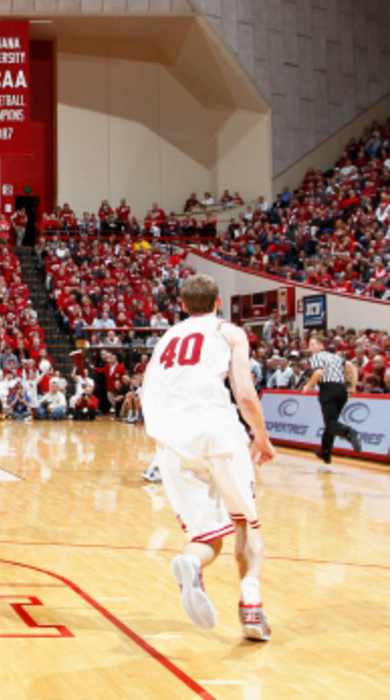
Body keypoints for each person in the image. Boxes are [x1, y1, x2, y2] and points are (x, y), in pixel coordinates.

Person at [141, 274, 275, 641]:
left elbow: (146, 393)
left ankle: (192, 563)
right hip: (216, 431)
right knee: (246, 523)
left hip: (171, 440)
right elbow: (245, 395)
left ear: (182, 305)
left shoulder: (166, 339)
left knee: (206, 535)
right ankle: (251, 608)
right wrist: (261, 436)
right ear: (219, 302)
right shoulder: (229, 333)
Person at [302, 335, 363, 463]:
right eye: (310, 344)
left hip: (328, 389)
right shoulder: (336, 357)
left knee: (331, 423)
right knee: (330, 423)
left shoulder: (316, 357)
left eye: (313, 344)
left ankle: (349, 432)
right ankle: (326, 452)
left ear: (321, 346)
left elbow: (318, 373)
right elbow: (352, 368)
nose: (310, 346)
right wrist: (353, 387)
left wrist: (308, 385)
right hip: (341, 391)